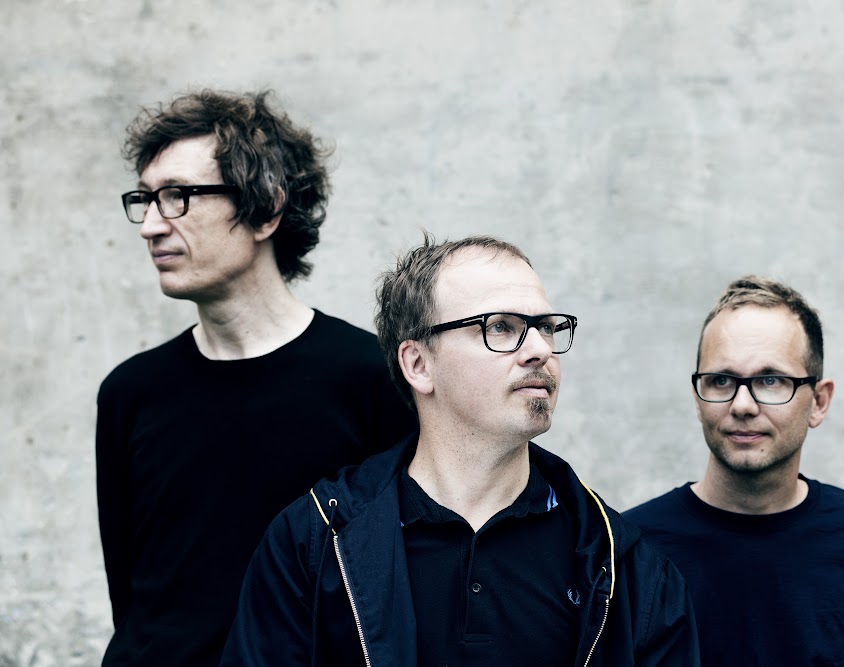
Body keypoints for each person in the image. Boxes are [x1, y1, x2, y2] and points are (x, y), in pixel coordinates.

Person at [221, 235, 700, 666]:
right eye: (501, 327)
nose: (540, 349)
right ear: (418, 364)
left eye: (546, 327)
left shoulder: (623, 564)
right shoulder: (313, 544)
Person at [96, 90, 415, 666]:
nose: (150, 226)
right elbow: (131, 593)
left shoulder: (372, 378)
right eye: (144, 199)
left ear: (266, 208)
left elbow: (400, 582)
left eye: (177, 197)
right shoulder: (130, 393)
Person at [625, 276, 844, 666]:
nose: (742, 405)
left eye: (771, 380)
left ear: (819, 402)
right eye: (721, 380)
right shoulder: (634, 549)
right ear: (697, 399)